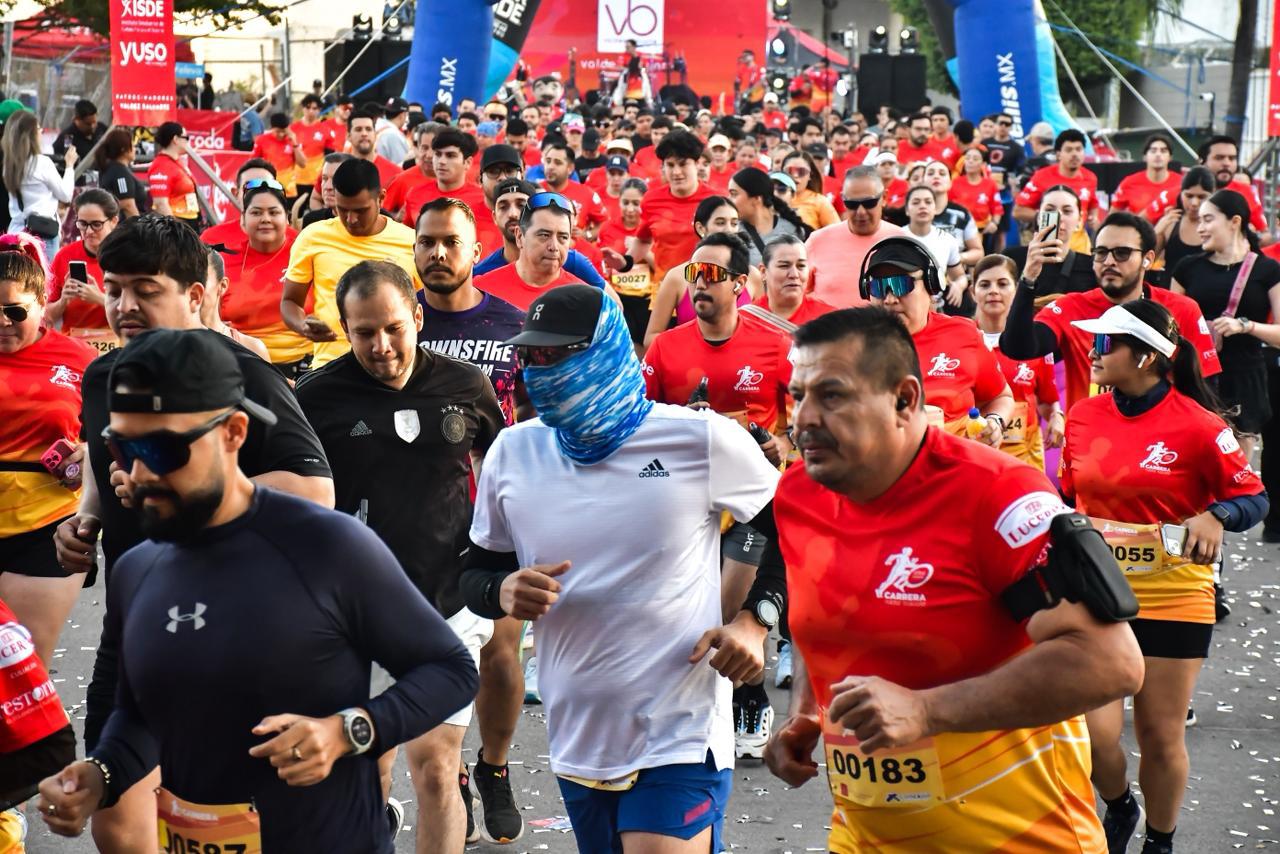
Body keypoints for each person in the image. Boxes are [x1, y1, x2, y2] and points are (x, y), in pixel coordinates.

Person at [37, 327, 477, 851]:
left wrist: (350, 731)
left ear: (234, 433)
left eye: (163, 449)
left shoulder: (326, 546)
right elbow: (139, 715)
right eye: (121, 447)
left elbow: (450, 670)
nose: (139, 472)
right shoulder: (139, 569)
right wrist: (101, 775)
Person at [765, 306, 1143, 853]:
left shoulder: (998, 495)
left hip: (1022, 839)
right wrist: (805, 711)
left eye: (832, 396)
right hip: (866, 838)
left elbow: (1111, 662)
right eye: (798, 395)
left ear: (905, 399)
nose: (803, 419)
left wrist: (926, 711)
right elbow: (815, 616)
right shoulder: (798, 493)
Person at [461, 283, 786, 853]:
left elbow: (792, 525)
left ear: (608, 351)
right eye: (531, 355)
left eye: (558, 354)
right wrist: (501, 589)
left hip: (680, 728)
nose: (541, 371)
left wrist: (755, 621)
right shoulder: (513, 452)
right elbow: (474, 575)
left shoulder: (698, 439)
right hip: (579, 732)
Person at [51, 214, 334, 852]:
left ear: (195, 295)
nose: (124, 306)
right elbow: (103, 458)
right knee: (116, 819)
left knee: (232, 822)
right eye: (114, 289)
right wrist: (87, 517)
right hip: (137, 624)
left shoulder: (241, 375)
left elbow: (314, 490)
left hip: (239, 630)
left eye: (145, 290)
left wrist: (187, 494)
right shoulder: (103, 375)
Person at [296, 258, 504, 851]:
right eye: (364, 332)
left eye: (393, 328)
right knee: (371, 769)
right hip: (355, 615)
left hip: (449, 603)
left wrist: (501, 560)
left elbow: (503, 469)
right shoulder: (315, 398)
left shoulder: (467, 385)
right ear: (344, 328)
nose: (381, 346)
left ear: (417, 316)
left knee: (436, 768)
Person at [1060, 300, 1266, 854]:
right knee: (1091, 735)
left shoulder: (1199, 425)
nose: (1093, 352)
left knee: (1158, 734)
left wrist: (1217, 515)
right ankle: (1120, 804)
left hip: (1174, 593)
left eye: (1106, 343)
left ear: (1147, 356)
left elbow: (1253, 497)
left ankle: (1160, 841)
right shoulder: (1082, 415)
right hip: (1097, 595)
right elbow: (1067, 496)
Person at [411, 198, 529, 842]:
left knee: (501, 654)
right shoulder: (399, 321)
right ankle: (450, 767)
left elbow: (535, 415)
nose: (437, 253)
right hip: (419, 515)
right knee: (432, 653)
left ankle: (494, 766)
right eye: (426, 242)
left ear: (474, 249)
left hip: (499, 515)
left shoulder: (511, 324)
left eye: (450, 242)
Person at [1001, 211, 1221, 413]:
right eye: (1101, 252)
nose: (1109, 261)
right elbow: (1017, 348)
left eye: (1122, 253)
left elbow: (1205, 387)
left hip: (1161, 438)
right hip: (1091, 438)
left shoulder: (1181, 309)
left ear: (1148, 258)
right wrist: (1028, 278)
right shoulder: (1071, 308)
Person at [0, 244, 96, 667]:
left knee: (23, 666)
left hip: (46, 525)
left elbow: (112, 435)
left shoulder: (78, 359)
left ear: (42, 303)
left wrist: (88, 453)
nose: (2, 322)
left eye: (14, 311)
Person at [862, 235, 1014, 439]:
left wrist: (995, 422)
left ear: (931, 285)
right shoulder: (851, 346)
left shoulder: (964, 334)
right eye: (878, 288)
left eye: (901, 285)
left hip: (955, 457)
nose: (890, 299)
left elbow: (1000, 397)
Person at [1172, 190, 1280, 458]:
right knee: (1192, 459)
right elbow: (1169, 324)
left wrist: (1246, 326)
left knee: (1236, 466)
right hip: (1195, 377)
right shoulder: (1187, 268)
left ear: (1235, 221)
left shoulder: (1267, 270)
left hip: (1244, 379)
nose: (1200, 228)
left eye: (1208, 219)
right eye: (1199, 221)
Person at [281, 158, 419, 368]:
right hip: (331, 366)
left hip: (394, 366)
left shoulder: (411, 242)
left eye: (361, 211)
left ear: (381, 198)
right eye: (342, 209)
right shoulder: (313, 237)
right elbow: (290, 301)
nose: (351, 219)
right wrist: (303, 326)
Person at [972, 254, 1063, 470]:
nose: (993, 291)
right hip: (976, 459)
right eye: (985, 285)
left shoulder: (1033, 343)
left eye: (1002, 284)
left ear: (1016, 290)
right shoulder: (961, 340)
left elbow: (1047, 400)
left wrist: (1056, 416)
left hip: (1024, 462)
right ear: (972, 292)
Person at [641, 196, 758, 350]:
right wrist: (697, 351)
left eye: (734, 223)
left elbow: (764, 329)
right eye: (720, 222)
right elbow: (651, 338)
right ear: (701, 228)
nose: (729, 230)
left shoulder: (752, 275)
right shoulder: (676, 277)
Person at [216, 179, 309, 372]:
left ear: (287, 218)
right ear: (243, 220)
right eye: (256, 213)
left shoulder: (307, 252)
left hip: (305, 366)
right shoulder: (223, 261)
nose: (265, 219)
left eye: (273, 212)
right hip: (243, 366)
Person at [475, 178, 609, 288]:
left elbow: (612, 305)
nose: (513, 214)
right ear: (494, 217)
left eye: (521, 205)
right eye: (503, 207)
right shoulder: (480, 274)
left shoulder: (572, 262)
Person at [805, 165, 903, 310]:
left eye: (869, 203)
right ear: (843, 200)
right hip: (829, 324)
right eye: (852, 204)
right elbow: (798, 295)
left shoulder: (903, 241)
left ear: (884, 198)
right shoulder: (817, 241)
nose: (861, 211)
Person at [474, 191, 590, 311]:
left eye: (563, 237)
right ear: (519, 236)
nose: (554, 246)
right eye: (544, 235)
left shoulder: (584, 299)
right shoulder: (482, 290)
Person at [627, 130, 715, 281]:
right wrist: (624, 262)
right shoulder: (651, 200)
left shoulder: (716, 200)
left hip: (706, 285)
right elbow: (643, 240)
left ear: (696, 163)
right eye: (670, 165)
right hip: (665, 285)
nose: (676, 172)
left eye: (683, 164)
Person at [46, 190, 120, 352]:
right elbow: (46, 317)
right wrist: (63, 301)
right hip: (73, 346)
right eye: (82, 224)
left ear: (113, 221)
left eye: (96, 224)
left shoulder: (126, 256)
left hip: (116, 346)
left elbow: (140, 312)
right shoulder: (64, 256)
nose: (88, 231)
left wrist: (100, 298)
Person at [3, 110, 75, 256]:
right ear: (31, 134)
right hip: (42, 234)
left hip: (16, 231)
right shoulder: (41, 163)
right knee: (45, 272)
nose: (41, 132)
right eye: (38, 128)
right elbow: (66, 195)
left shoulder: (9, 165)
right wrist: (69, 166)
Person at [1003, 185, 1097, 298]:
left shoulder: (1091, 267)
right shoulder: (1011, 259)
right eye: (1050, 210)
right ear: (1039, 217)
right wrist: (1028, 274)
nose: (1059, 217)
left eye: (1067, 211)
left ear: (1080, 219)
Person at [1014, 129, 1099, 230]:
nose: (1074, 154)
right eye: (1069, 150)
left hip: (1079, 238)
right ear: (1058, 155)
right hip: (1049, 236)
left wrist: (1093, 217)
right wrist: (1048, 219)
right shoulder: (1042, 176)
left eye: (1078, 149)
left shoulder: (1090, 178)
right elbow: (1018, 211)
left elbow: (1093, 205)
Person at [199, 247, 271, 361]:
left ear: (222, 286)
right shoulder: (171, 347)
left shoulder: (252, 349)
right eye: (183, 281)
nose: (191, 289)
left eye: (200, 280)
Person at [727, 166, 807, 267]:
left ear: (757, 198)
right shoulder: (731, 232)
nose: (728, 199)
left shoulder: (791, 231)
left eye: (734, 194)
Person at [902, 185, 966, 308]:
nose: (922, 206)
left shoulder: (947, 240)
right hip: (906, 306)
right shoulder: (897, 237)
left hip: (936, 307)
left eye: (928, 202)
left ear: (935, 208)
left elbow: (960, 276)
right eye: (916, 202)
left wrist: (958, 286)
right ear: (907, 210)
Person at [538, 138, 609, 244]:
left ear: (570, 168)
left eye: (557, 163)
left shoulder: (586, 193)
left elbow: (605, 223)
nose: (550, 167)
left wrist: (587, 235)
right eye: (548, 161)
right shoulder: (534, 191)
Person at [198, 158, 277, 253]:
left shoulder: (292, 241)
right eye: (250, 186)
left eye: (267, 186)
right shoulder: (211, 239)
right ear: (235, 193)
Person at [753, 234, 835, 325]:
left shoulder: (829, 320)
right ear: (763, 271)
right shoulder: (745, 318)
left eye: (801, 266)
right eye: (784, 266)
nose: (794, 274)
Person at [1198, 134, 1268, 235]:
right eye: (1219, 158)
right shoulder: (1186, 191)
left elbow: (1262, 231)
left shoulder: (1245, 191)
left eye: (1232, 158)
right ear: (1201, 161)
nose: (1227, 163)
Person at [1153, 167, 1216, 274]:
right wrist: (1156, 233)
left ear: (1212, 196)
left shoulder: (1219, 226)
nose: (1194, 203)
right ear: (1181, 194)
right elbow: (1145, 262)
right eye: (1189, 196)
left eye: (1201, 197)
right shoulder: (1170, 223)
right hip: (1169, 284)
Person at [922, 160, 982, 269]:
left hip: (954, 274)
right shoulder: (910, 213)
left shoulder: (961, 214)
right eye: (930, 173)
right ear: (922, 182)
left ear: (950, 183)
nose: (936, 176)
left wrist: (956, 258)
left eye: (942, 173)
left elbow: (978, 251)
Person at [1112, 135, 1181, 222]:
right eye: (1153, 151)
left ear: (1170, 157)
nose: (1158, 155)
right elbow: (1112, 218)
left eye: (1163, 151)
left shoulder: (1181, 183)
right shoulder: (1129, 182)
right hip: (1138, 229)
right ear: (1145, 157)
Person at [145, 121, 201, 229]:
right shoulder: (161, 165)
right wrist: (176, 230)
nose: (188, 141)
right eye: (186, 137)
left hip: (189, 220)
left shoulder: (177, 162)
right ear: (175, 139)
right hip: (177, 222)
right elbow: (160, 204)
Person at [384, 122, 441, 221]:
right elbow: (381, 214)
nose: (429, 155)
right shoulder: (402, 180)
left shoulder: (457, 180)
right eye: (424, 148)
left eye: (435, 148)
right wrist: (397, 218)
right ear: (417, 148)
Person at [949, 147, 1004, 251]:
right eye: (967, 158)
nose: (970, 161)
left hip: (982, 230)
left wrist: (994, 223)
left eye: (975, 159)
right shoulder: (954, 183)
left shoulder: (990, 184)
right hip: (958, 230)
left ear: (983, 164)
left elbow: (997, 208)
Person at [93, 128, 146, 218]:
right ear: (123, 150)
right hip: (126, 225)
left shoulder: (111, 169)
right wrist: (139, 226)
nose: (135, 149)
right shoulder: (120, 173)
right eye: (132, 146)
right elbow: (127, 205)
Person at [252, 113, 306, 199]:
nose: (281, 134)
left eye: (283, 131)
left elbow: (302, 164)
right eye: (278, 131)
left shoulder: (293, 139)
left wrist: (295, 144)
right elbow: (253, 164)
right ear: (272, 128)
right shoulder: (262, 140)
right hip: (269, 191)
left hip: (288, 192)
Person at [52, 99, 106, 185]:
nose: (93, 127)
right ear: (76, 120)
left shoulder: (102, 130)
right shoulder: (67, 138)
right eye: (88, 124)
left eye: (94, 122)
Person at [781, 151, 838, 231]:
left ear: (810, 175)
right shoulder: (771, 198)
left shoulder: (820, 201)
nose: (795, 175)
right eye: (790, 170)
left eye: (801, 171)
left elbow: (836, 232)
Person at [291, 93, 335, 198]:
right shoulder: (292, 129)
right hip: (294, 181)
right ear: (303, 108)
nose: (311, 111)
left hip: (317, 182)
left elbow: (330, 159)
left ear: (319, 110)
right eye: (308, 107)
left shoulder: (326, 130)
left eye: (315, 108)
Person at [347, 106, 402, 186]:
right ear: (348, 136)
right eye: (358, 129)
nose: (364, 134)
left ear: (375, 135)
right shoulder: (337, 170)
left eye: (368, 129)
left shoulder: (396, 174)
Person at [301, 153, 354, 229]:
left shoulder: (369, 223)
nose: (328, 187)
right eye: (325, 178)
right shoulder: (312, 222)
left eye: (336, 179)